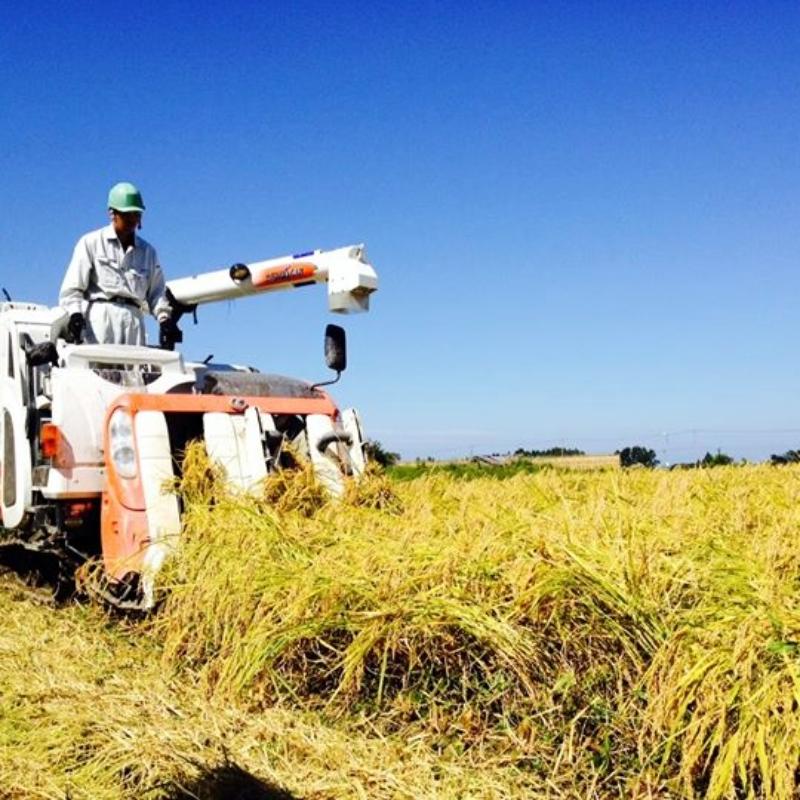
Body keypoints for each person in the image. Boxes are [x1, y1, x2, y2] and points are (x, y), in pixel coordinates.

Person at [59, 182, 182, 349]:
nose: (132, 219)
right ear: (112, 213)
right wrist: (75, 314)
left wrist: (164, 319)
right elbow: (72, 289)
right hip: (101, 320)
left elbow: (157, 293)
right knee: (99, 372)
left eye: (136, 214)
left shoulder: (148, 252)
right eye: (127, 214)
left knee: (134, 373)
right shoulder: (91, 243)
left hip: (134, 321)